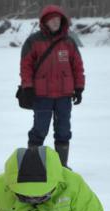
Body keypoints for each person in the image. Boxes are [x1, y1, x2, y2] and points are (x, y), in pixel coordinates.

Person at [18, 5, 85, 167]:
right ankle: (35, 165)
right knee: (39, 130)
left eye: (58, 20)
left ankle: (62, 166)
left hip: (64, 95)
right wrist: (27, 87)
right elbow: (25, 65)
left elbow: (77, 65)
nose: (55, 22)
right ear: (45, 22)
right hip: (41, 95)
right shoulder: (33, 41)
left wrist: (79, 87)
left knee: (63, 131)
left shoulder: (69, 42)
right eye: (52, 20)